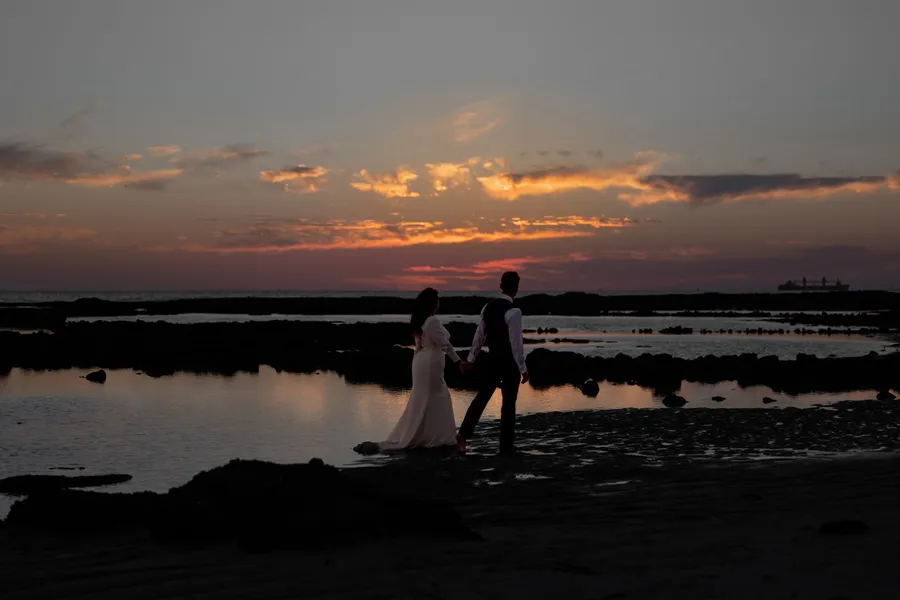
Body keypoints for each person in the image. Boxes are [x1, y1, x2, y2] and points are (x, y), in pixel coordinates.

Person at [354, 288, 469, 453]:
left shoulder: (420, 320)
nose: (438, 303)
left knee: (423, 397)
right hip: (430, 362)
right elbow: (445, 344)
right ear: (432, 303)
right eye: (437, 300)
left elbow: (421, 344)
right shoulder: (432, 321)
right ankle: (437, 436)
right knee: (437, 396)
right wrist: (458, 361)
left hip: (421, 360)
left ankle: (429, 434)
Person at [456, 271, 528, 454]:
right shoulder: (514, 312)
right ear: (516, 288)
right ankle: (506, 447)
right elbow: (516, 343)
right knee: (508, 404)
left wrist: (471, 359)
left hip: (492, 360)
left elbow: (479, 336)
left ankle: (463, 434)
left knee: (482, 398)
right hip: (509, 363)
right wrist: (523, 368)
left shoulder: (488, 307)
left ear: (501, 285)